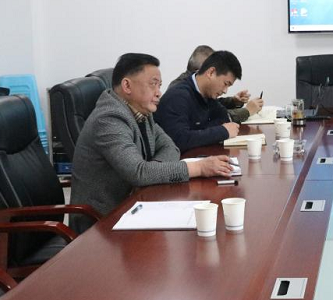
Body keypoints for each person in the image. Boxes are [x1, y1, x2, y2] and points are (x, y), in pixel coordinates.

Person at [71, 53, 232, 232]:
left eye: (159, 85)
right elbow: (139, 172)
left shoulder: (141, 110)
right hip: (100, 223)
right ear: (127, 85)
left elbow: (170, 147)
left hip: (134, 208)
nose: (158, 92)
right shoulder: (108, 119)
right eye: (153, 84)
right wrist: (199, 168)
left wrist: (152, 172)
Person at [155, 50, 259, 152]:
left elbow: (224, 118)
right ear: (211, 72)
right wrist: (222, 131)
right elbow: (179, 141)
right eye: (225, 84)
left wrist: (198, 131)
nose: (225, 91)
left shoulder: (207, 94)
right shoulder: (178, 96)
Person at [170, 45, 260, 123]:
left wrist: (233, 101)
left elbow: (210, 105)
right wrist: (247, 111)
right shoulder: (179, 91)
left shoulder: (193, 85)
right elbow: (211, 117)